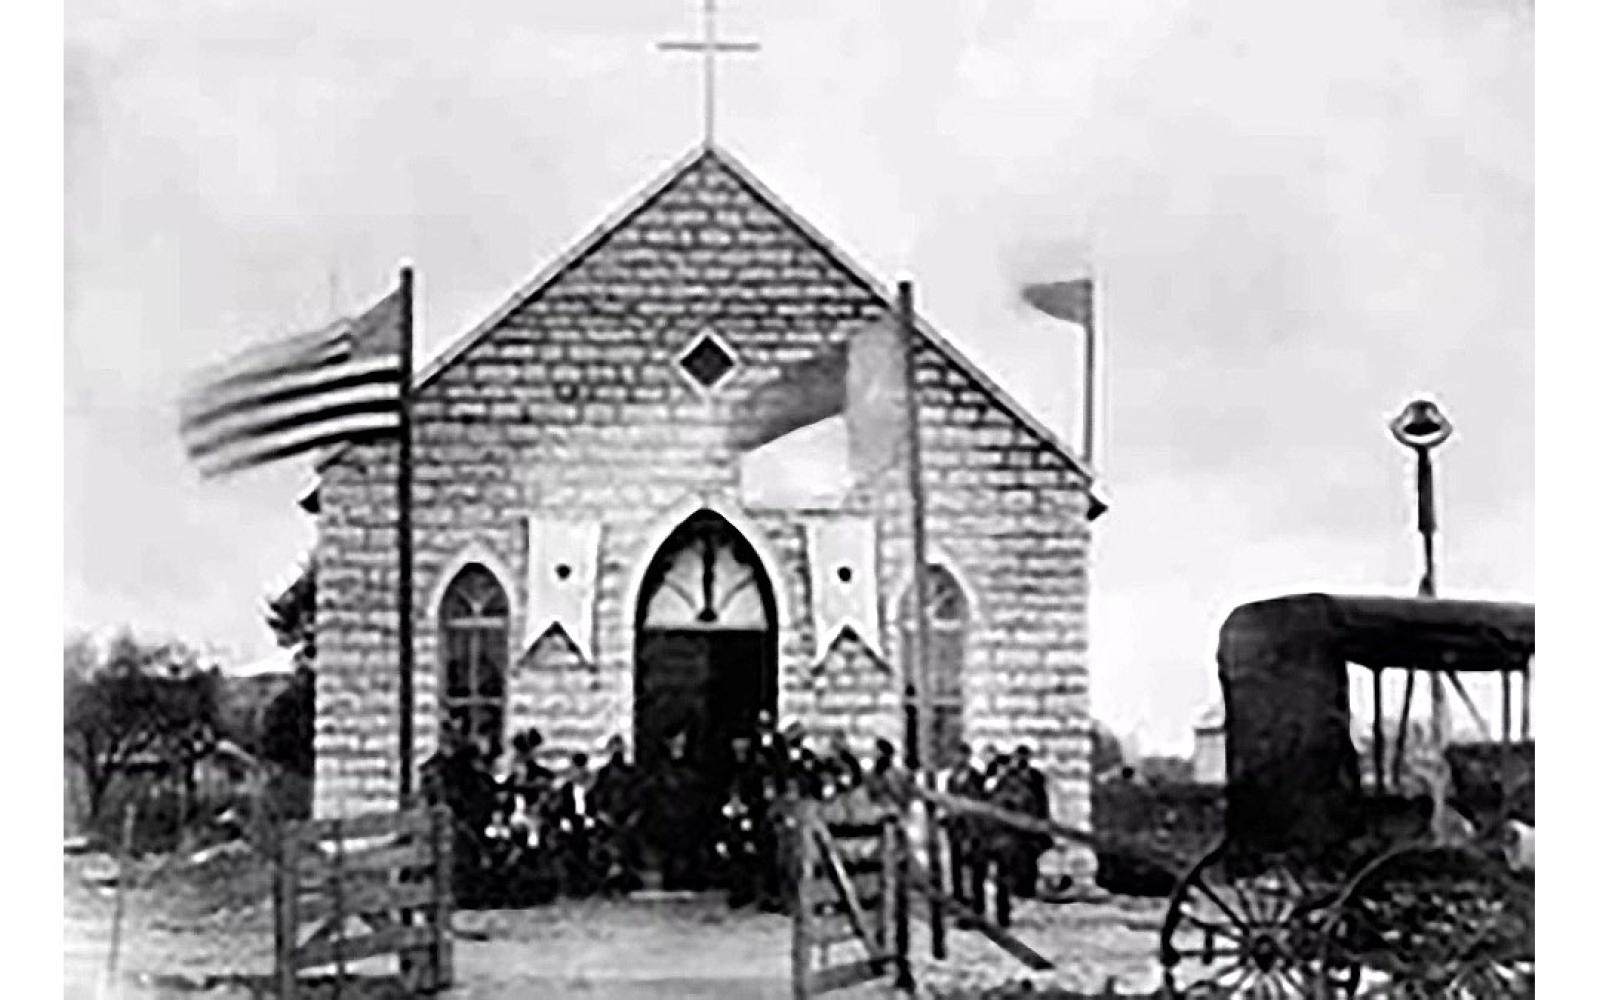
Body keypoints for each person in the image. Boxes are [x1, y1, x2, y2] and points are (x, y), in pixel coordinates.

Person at [591, 735, 643, 895]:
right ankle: (613, 873)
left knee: (626, 843)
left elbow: (639, 798)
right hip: (609, 819)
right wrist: (603, 816)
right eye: (613, 748)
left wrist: (634, 816)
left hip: (628, 819)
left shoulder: (632, 773)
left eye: (619, 748)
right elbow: (596, 799)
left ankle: (624, 875)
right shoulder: (603, 774)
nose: (617, 751)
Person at [549, 751, 600, 896]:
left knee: (585, 852)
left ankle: (587, 885)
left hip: (585, 822)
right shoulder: (567, 788)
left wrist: (590, 818)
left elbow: (593, 806)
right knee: (570, 852)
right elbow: (561, 807)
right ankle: (572, 885)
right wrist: (564, 821)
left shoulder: (589, 788)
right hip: (571, 822)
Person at [941, 743, 985, 907]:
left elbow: (979, 803)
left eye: (960, 755)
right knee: (956, 865)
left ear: (967, 757)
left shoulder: (977, 778)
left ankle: (976, 903)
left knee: (974, 868)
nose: (956, 759)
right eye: (955, 755)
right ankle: (959, 900)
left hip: (972, 828)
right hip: (955, 829)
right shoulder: (951, 778)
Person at [1011, 744, 1052, 898]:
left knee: (1031, 856)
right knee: (1017, 857)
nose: (1021, 760)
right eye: (1019, 757)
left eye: (1024, 757)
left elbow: (1042, 800)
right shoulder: (1011, 777)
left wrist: (1044, 820)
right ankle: (1018, 888)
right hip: (1016, 823)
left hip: (1032, 822)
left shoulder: (1036, 777)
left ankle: (1029, 887)